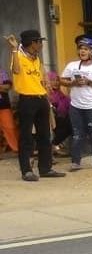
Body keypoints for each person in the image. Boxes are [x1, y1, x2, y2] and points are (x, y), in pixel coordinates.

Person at [6, 30, 65, 181]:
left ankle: (45, 168)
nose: (41, 44)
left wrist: (47, 88)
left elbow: (41, 76)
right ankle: (26, 171)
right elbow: (16, 70)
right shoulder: (18, 55)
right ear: (33, 43)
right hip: (27, 99)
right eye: (39, 41)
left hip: (41, 99)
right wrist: (13, 48)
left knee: (44, 135)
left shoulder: (36, 59)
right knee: (26, 136)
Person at [61, 35, 92, 172]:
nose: (82, 51)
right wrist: (73, 83)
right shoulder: (72, 66)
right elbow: (62, 80)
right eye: (80, 49)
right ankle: (76, 162)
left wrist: (89, 82)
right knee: (77, 134)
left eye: (86, 49)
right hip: (76, 106)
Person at [46, 71, 71, 156]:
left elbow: (69, 105)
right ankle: (53, 145)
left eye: (57, 80)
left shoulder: (60, 94)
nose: (56, 82)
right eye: (52, 80)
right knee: (69, 124)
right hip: (51, 119)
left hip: (61, 118)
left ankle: (55, 145)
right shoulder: (46, 93)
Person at [0, 68, 17, 155]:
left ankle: (16, 148)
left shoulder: (2, 72)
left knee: (10, 128)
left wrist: (3, 87)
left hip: (3, 105)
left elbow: (8, 86)